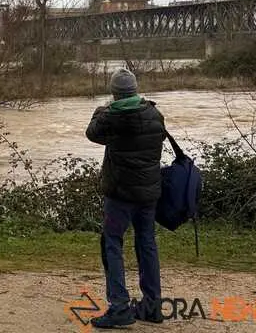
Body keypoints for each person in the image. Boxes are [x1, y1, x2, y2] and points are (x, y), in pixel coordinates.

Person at [85, 68, 167, 328]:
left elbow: (92, 133)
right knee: (147, 243)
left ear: (115, 93)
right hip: (148, 193)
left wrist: (100, 110)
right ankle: (152, 306)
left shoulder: (110, 117)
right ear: (135, 89)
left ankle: (119, 307)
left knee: (112, 243)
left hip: (119, 195)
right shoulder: (154, 114)